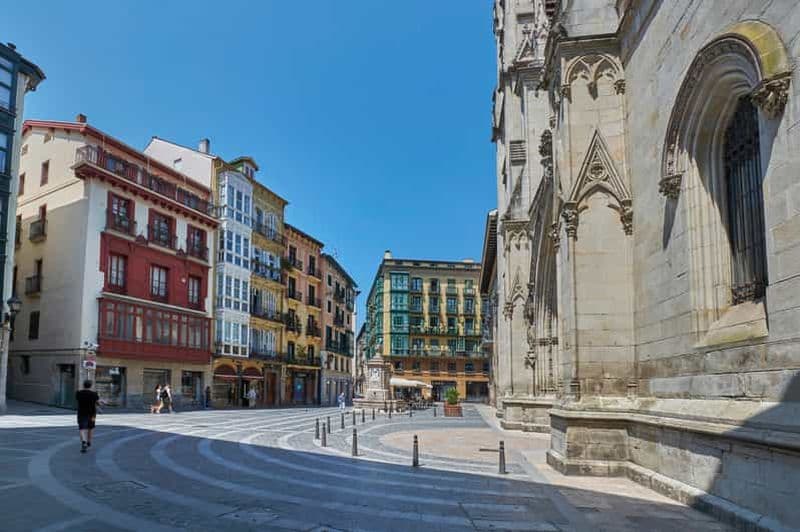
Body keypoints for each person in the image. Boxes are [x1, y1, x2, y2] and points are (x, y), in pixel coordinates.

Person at [76, 380, 100, 453]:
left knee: (82, 428)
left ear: (83, 385)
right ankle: (89, 441)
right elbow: (98, 403)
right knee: (90, 427)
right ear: (91, 386)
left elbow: (77, 400)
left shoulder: (78, 393)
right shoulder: (94, 394)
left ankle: (84, 441)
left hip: (81, 413)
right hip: (92, 414)